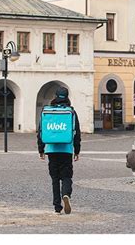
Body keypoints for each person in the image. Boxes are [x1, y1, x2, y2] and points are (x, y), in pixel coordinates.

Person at [37, 86, 81, 214]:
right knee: (66, 176)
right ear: (67, 97)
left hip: (51, 149)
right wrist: (77, 150)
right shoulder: (71, 112)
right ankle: (66, 194)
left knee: (55, 178)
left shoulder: (47, 111)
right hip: (66, 149)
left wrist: (41, 149)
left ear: (55, 97)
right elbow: (76, 133)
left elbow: (41, 131)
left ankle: (57, 207)